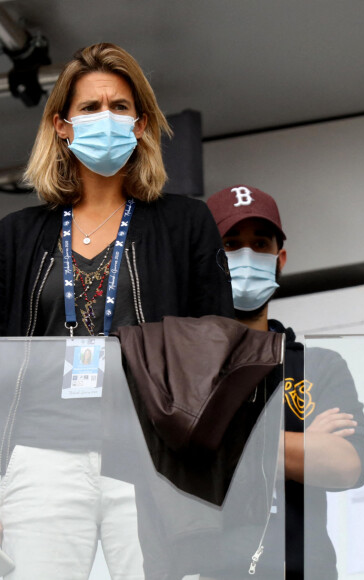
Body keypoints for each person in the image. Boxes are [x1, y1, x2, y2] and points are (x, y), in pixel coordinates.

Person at [0, 43, 233, 580]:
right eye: (89, 107)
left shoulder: (185, 224)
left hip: (151, 456)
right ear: (62, 125)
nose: (106, 117)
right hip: (41, 456)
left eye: (120, 106)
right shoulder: (16, 236)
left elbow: (216, 354)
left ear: (141, 124)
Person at [208, 185, 364, 579]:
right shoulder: (180, 364)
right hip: (209, 570)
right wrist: (304, 443)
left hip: (303, 568)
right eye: (231, 244)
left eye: (260, 244)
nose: (247, 257)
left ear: (279, 258)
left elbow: (347, 465)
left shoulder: (317, 365)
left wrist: (230, 440)